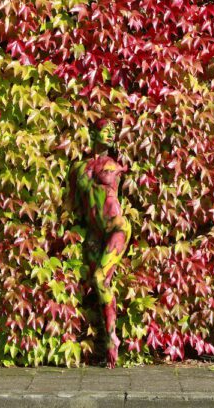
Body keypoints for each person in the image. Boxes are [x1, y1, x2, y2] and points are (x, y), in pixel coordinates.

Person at [68, 118, 132, 368]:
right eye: (105, 130)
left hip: (116, 228)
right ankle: (107, 339)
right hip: (94, 233)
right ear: (92, 132)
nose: (110, 134)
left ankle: (111, 339)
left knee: (99, 280)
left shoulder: (115, 166)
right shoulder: (79, 169)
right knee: (97, 284)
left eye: (113, 132)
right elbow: (72, 204)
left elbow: (119, 197)